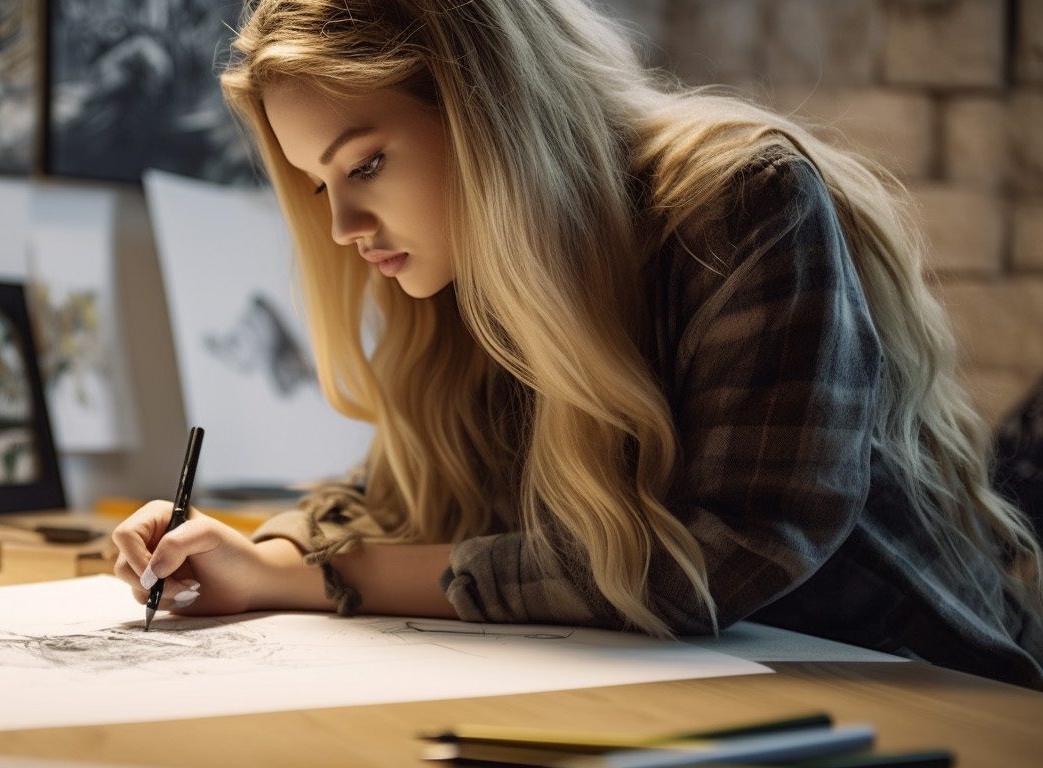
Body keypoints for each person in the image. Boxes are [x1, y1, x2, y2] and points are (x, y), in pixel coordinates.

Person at [110, 0, 1043, 689]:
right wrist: (258, 550)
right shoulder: (463, 274)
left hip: (911, 693)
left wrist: (319, 580)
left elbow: (722, 561)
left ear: (488, 108)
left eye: (366, 163)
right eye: (320, 184)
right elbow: (399, 492)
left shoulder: (744, 201)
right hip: (687, 702)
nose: (345, 223)